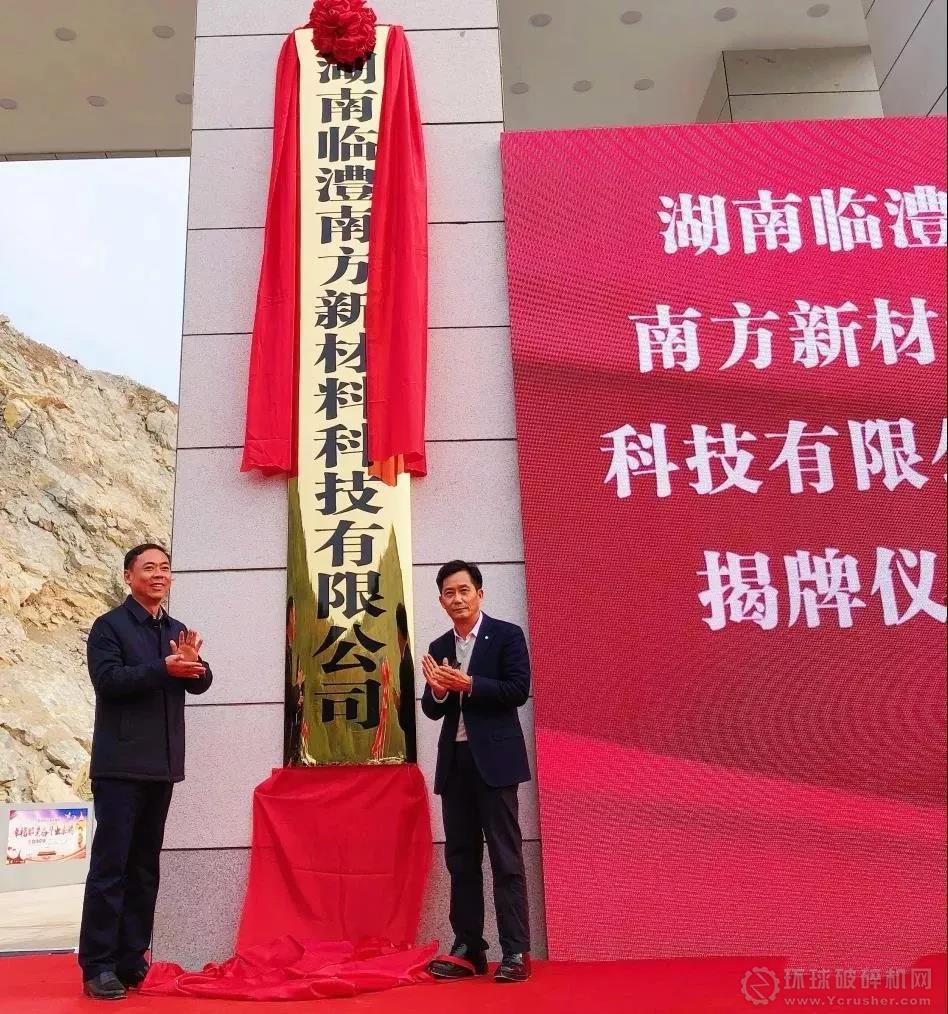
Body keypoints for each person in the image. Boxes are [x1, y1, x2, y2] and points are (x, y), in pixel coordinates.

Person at [78, 543, 213, 1001]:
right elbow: (108, 681)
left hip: (162, 766)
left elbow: (200, 681)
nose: (159, 575)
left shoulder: (176, 630)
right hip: (119, 766)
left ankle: (131, 960)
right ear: (128, 576)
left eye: (165, 568)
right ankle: (98, 965)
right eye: (149, 567)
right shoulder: (109, 626)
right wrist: (163, 668)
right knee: (110, 868)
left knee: (144, 869)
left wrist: (195, 667)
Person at [421, 560, 532, 984]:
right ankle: (469, 947)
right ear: (441, 601)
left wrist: (470, 684)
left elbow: (517, 690)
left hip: (496, 763)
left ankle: (515, 951)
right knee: (461, 859)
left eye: (464, 590)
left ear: (480, 594)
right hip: (456, 763)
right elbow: (433, 709)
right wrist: (438, 690)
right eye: (449, 593)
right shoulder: (439, 645)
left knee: (506, 857)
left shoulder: (506, 635)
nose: (457, 599)